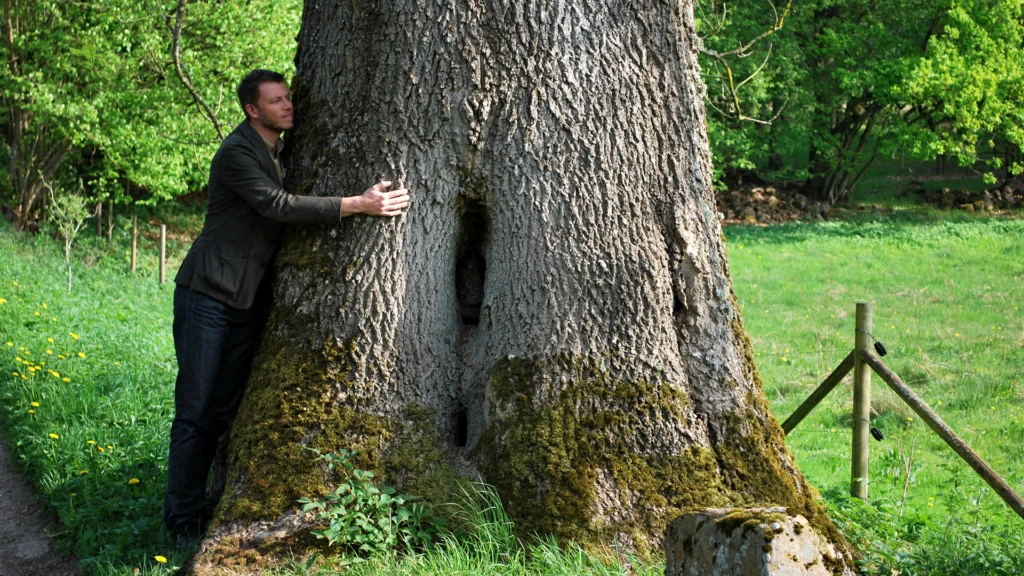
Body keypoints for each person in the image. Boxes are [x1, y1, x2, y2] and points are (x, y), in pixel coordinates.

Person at [164, 69, 410, 546]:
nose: (288, 106)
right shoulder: (238, 153)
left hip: (244, 301)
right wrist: (357, 204)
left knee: (220, 414)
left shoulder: (277, 152)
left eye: (287, 98)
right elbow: (276, 205)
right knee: (195, 412)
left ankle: (200, 506)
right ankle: (180, 522)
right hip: (207, 296)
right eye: (276, 101)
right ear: (252, 110)